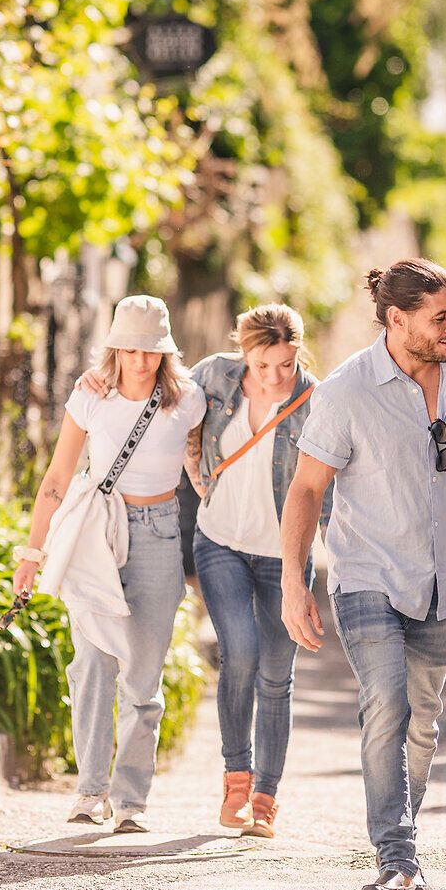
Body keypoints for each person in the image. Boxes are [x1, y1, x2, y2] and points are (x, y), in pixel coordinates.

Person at [278, 259, 446, 890]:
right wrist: (294, 583)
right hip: (367, 576)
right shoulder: (347, 390)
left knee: (423, 722)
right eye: (441, 317)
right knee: (387, 706)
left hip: (444, 581)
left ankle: (400, 849)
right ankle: (398, 860)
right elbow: (307, 487)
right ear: (397, 319)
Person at [81, 303, 330, 838]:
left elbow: (325, 484)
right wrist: (100, 378)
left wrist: (332, 551)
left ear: (299, 354)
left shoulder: (316, 401)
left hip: (284, 556)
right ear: (244, 354)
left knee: (277, 673)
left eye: (286, 364)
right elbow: (154, 390)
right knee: (240, 653)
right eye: (263, 365)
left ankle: (265, 796)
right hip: (220, 543)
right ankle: (237, 779)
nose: (275, 377)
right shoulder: (214, 377)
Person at [12, 295, 207, 833]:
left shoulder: (188, 400)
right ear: (115, 349)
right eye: (131, 350)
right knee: (92, 665)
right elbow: (56, 479)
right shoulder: (90, 396)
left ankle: (130, 802)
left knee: (143, 678)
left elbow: (201, 457)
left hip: (160, 535)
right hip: (97, 534)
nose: (141, 362)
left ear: (166, 352)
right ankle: (90, 790)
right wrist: (32, 554)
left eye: (151, 351)